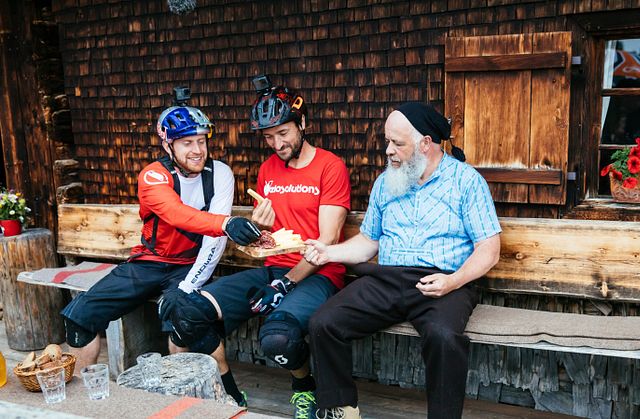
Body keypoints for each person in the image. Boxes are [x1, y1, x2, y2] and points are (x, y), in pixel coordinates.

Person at [166, 77, 351, 417]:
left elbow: (325, 242)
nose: (276, 143)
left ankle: (304, 388)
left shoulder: (330, 167)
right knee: (189, 312)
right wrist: (259, 228)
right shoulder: (268, 170)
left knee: (277, 338)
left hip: (319, 274)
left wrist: (285, 284)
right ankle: (232, 398)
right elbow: (270, 238)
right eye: (269, 137)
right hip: (271, 268)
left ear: (303, 124)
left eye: (283, 133)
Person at [304, 103, 502, 419]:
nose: (388, 151)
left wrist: (453, 281)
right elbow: (369, 242)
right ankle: (342, 409)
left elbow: (489, 249)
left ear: (426, 143)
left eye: (397, 143)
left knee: (444, 337)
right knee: (324, 322)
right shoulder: (387, 182)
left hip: (443, 282)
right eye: (388, 142)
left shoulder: (466, 181)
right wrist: (329, 252)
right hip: (387, 280)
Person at [60, 89, 261, 382]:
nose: (197, 150)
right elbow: (175, 213)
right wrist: (227, 224)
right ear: (168, 145)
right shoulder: (153, 176)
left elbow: (214, 241)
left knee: (183, 318)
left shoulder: (219, 173)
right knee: (79, 317)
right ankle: (77, 397)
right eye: (187, 143)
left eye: (202, 141)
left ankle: (195, 391)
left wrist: (191, 283)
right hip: (150, 261)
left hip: (191, 264)